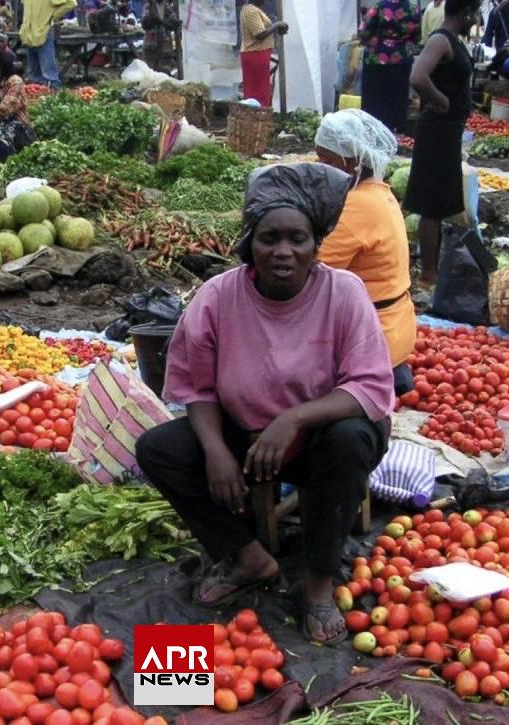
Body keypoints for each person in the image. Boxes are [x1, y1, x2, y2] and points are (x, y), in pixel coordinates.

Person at [135, 163, 393, 646]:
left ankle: (317, 584)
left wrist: (293, 419)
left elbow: (372, 388)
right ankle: (249, 557)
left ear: (316, 246)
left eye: (297, 239)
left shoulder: (344, 294)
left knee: (351, 437)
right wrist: (215, 449)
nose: (283, 252)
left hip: (323, 435)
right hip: (245, 432)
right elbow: (195, 387)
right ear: (249, 244)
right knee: (158, 448)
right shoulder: (217, 297)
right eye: (269, 238)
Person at [314, 110, 418, 396]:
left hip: (373, 337)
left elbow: (309, 270)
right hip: (396, 326)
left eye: (326, 159)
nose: (320, 166)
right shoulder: (378, 192)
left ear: (354, 160)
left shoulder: (356, 206)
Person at [404, 0, 477, 285]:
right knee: (431, 201)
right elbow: (418, 77)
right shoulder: (440, 40)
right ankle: (428, 274)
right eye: (475, 14)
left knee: (441, 197)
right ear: (467, 12)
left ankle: (433, 267)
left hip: (448, 130)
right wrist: (441, 101)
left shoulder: (454, 41)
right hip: (436, 129)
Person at [359, 0, 422, 134]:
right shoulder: (414, 8)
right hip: (402, 59)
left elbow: (364, 31)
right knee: (397, 98)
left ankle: (373, 133)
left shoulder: (379, 6)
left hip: (377, 59)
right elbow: (417, 36)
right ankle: (396, 132)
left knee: (375, 100)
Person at [237, 0, 287, 107]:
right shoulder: (251, 11)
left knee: (261, 88)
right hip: (255, 54)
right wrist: (276, 25)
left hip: (258, 54)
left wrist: (275, 27)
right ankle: (257, 115)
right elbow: (259, 34)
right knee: (257, 90)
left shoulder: (252, 10)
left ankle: (259, 115)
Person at [20, 0, 76, 89]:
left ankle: (54, 97)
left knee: (49, 75)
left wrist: (53, 16)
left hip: (44, 33)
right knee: (33, 77)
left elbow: (71, 3)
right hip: (28, 35)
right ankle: (36, 98)